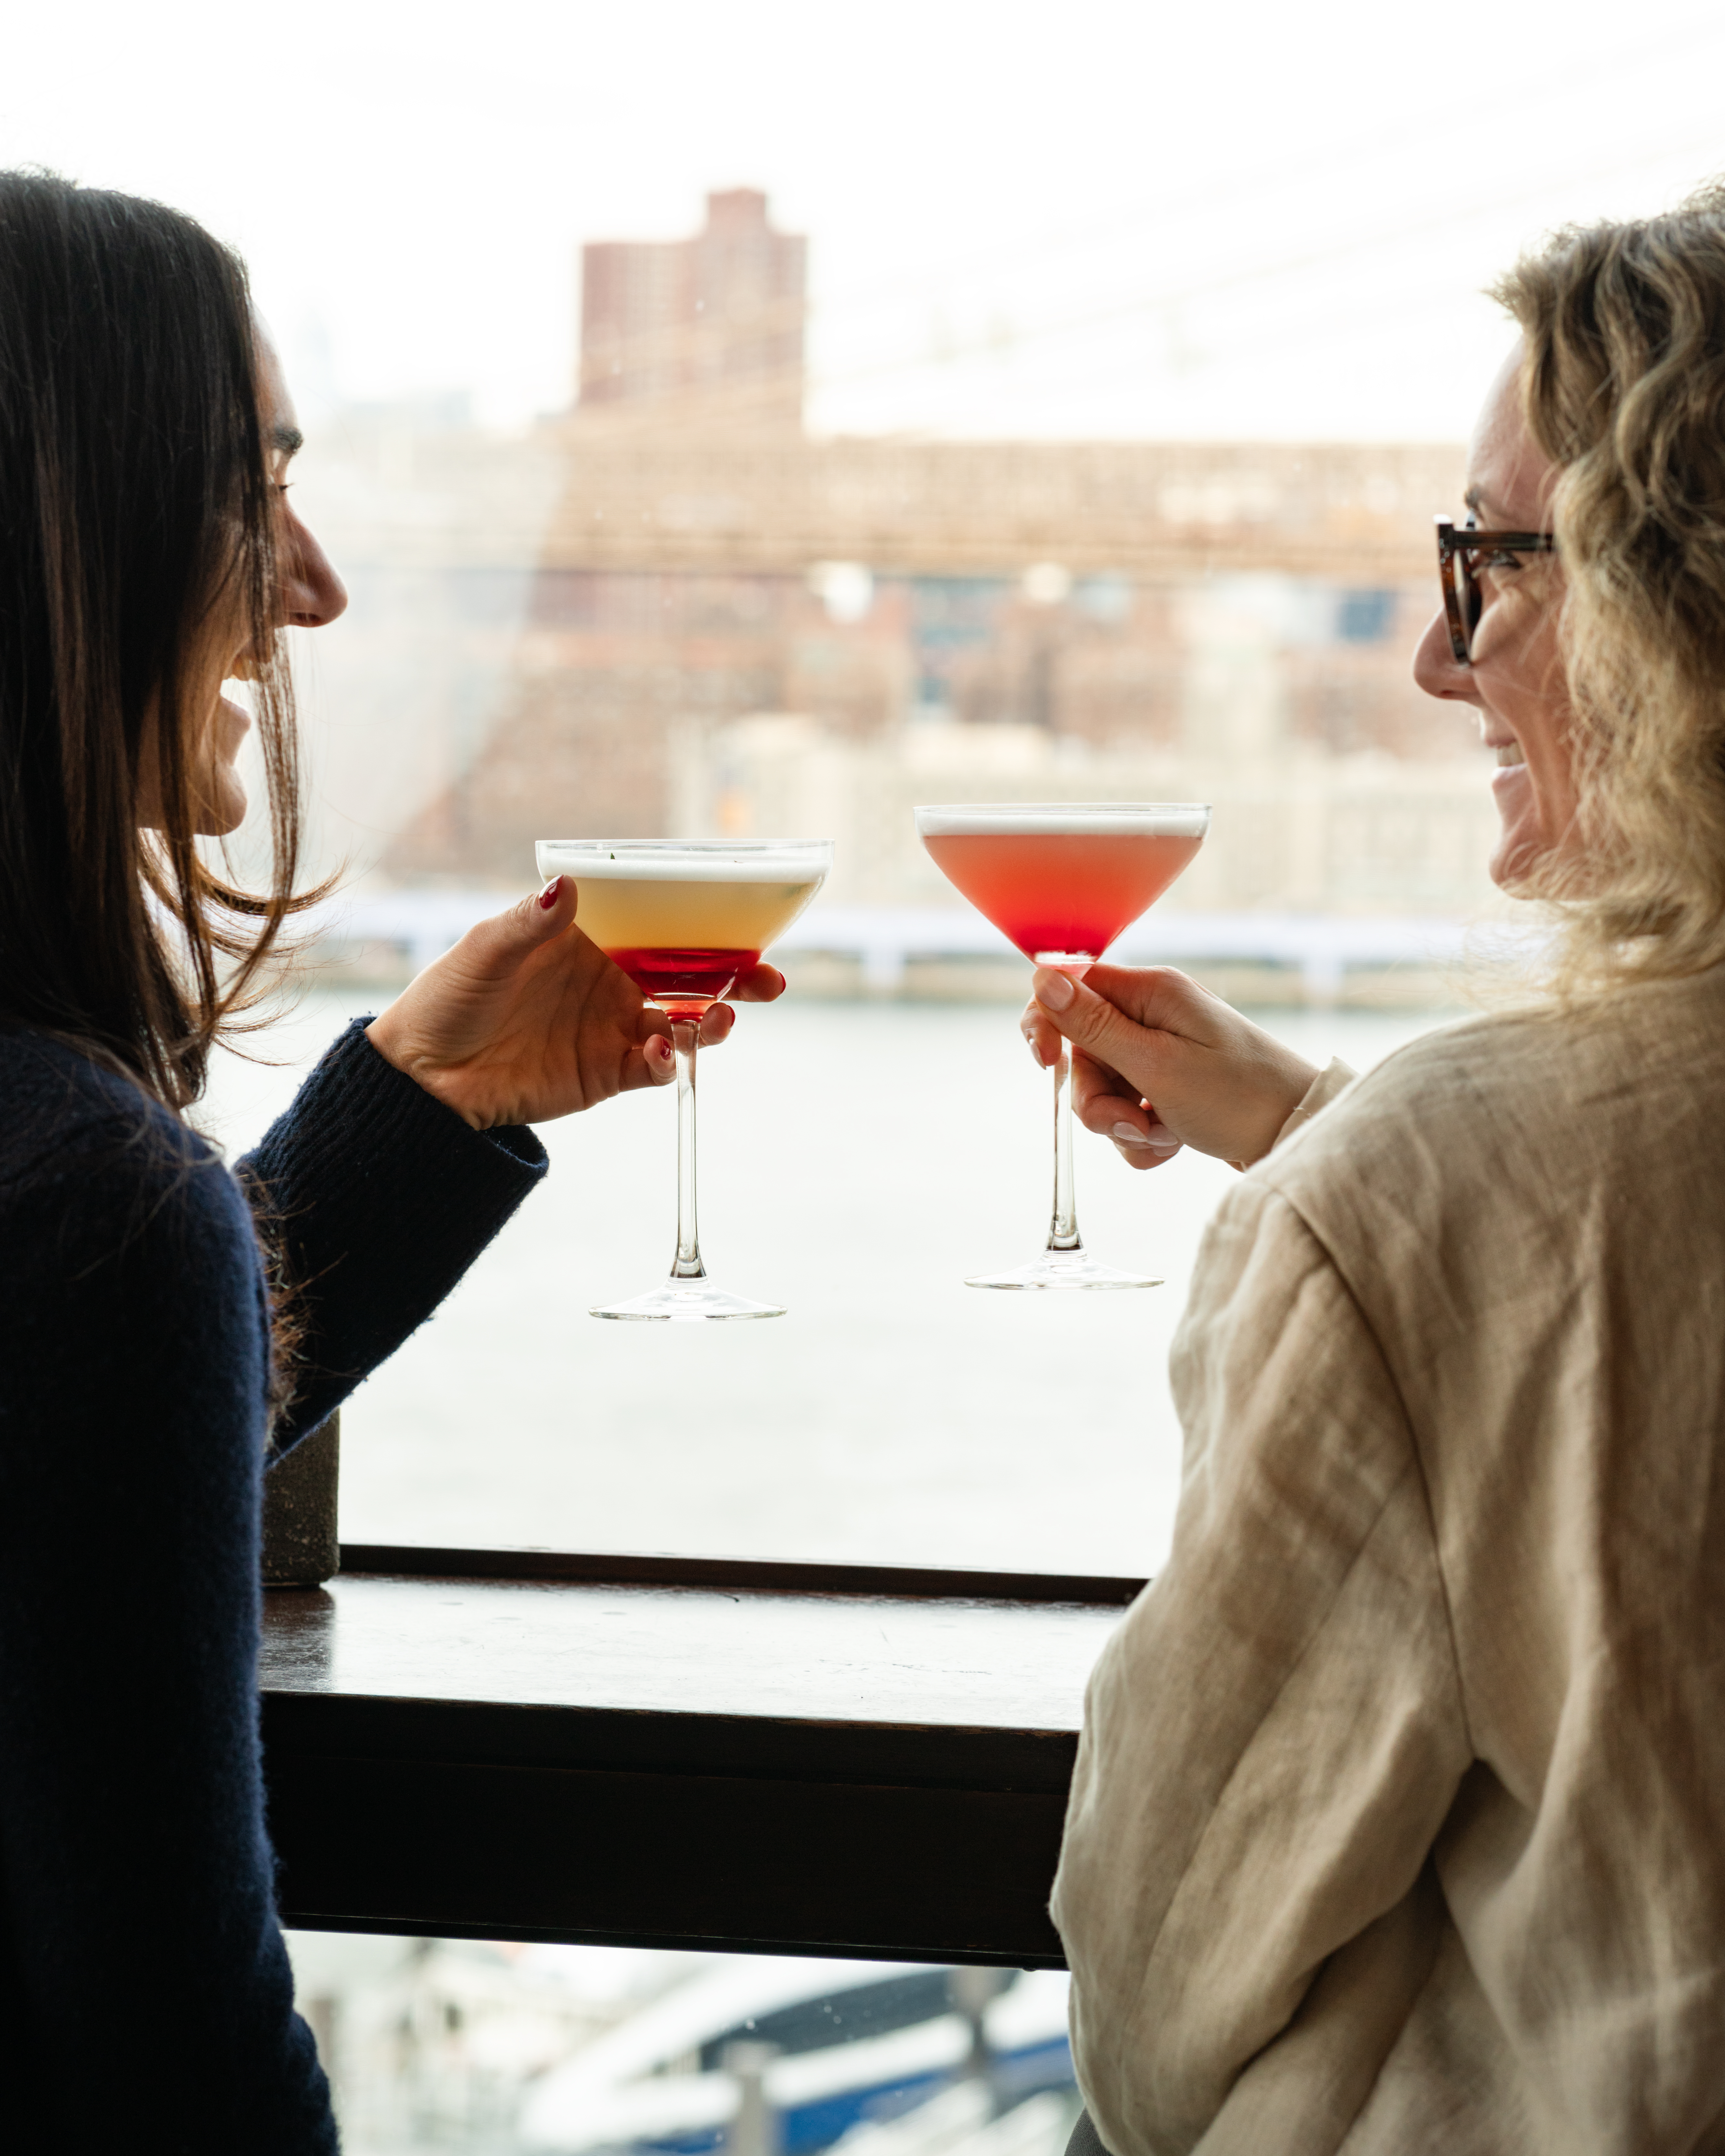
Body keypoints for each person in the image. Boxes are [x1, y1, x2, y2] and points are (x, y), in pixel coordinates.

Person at [0, 172, 781, 2150]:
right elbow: (177, 2053)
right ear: (67, 538)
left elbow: (53, 1490)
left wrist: (413, 1115)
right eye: (253, 486)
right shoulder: (90, 1203)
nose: (313, 585)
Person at [1026, 186, 1725, 2151]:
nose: (1441, 653)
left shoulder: (1428, 1190)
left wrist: (1363, 1209)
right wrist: (1325, 1147)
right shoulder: (1413, 1185)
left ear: (1681, 600)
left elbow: (1167, 1979)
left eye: (1497, 557)